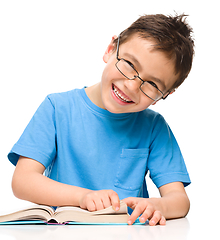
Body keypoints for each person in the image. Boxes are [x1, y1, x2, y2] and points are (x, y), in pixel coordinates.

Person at [8, 13, 194, 226]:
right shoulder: (56, 108)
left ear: (163, 96)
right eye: (129, 64)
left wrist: (159, 206)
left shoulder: (154, 128)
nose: (131, 86)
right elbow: (22, 181)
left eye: (152, 84)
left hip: (126, 233)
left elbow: (179, 200)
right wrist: (82, 197)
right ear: (110, 50)